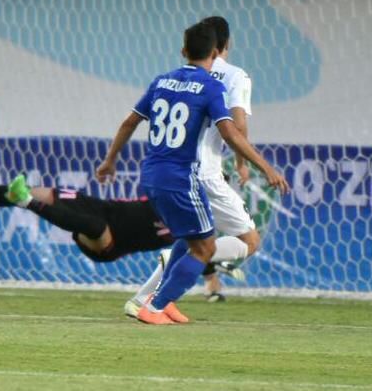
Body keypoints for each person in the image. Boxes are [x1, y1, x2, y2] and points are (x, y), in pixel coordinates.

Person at [96, 22, 289, 325]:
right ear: (218, 50)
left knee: (196, 239)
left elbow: (129, 122)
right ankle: (157, 302)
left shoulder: (162, 81)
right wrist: (261, 166)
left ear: (183, 50)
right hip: (193, 174)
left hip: (152, 174)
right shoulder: (223, 81)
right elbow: (234, 131)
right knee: (236, 243)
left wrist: (109, 162)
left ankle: (156, 295)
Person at [126, 16, 258, 313]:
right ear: (225, 45)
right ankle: (174, 265)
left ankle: (141, 300)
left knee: (195, 237)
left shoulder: (180, 76)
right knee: (248, 241)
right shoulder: (237, 76)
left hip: (175, 168)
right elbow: (237, 125)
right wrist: (243, 163)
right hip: (205, 172)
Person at [0, 171, 174, 262]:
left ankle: (27, 203)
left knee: (94, 226)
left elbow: (199, 247)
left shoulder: (187, 227)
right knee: (34, 191)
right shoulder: (175, 193)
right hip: (101, 207)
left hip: (110, 244)